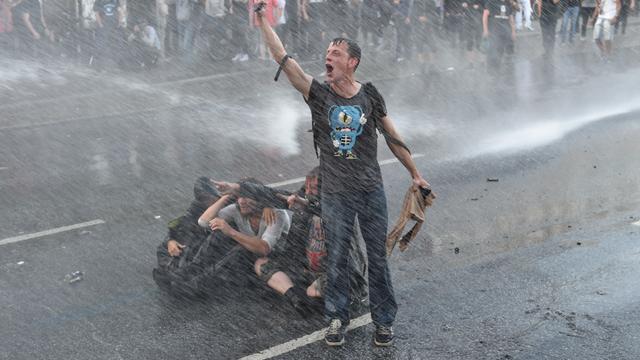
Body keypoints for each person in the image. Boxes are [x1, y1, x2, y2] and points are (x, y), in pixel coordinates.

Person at [254, 3, 432, 347]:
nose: (328, 58)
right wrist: (263, 20)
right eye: (327, 53)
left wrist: (415, 173)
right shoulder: (318, 95)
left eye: (335, 53)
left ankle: (383, 319)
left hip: (370, 191)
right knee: (336, 256)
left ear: (352, 62)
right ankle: (336, 317)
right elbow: (284, 59)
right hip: (335, 192)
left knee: (377, 257)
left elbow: (392, 136)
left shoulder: (369, 95)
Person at [214, 168, 369, 318]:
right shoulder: (303, 205)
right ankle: (296, 298)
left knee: (313, 292)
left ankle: (338, 298)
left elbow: (320, 208)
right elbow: (279, 195)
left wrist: (304, 203)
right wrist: (260, 200)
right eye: (306, 187)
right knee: (262, 263)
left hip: (336, 272)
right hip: (305, 269)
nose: (308, 192)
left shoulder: (339, 208)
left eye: (313, 188)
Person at [170, 178, 291, 297]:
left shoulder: (276, 214)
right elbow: (203, 222)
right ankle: (190, 270)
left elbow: (264, 248)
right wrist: (228, 195)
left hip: (270, 263)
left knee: (241, 248)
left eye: (247, 197)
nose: (242, 202)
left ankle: (199, 284)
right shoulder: (237, 209)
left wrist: (230, 231)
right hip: (249, 258)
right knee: (217, 232)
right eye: (240, 197)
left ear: (260, 199)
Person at [152, 177, 221, 292]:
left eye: (208, 197)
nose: (206, 201)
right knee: (167, 246)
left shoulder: (227, 205)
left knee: (200, 248)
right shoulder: (198, 205)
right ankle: (172, 269)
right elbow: (182, 222)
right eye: (202, 198)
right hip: (199, 235)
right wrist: (171, 240)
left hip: (216, 239)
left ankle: (185, 275)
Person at [483, 0, 516, 71]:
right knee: (493, 50)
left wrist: (513, 31)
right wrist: (485, 30)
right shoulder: (491, 2)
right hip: (494, 30)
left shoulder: (508, 4)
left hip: (505, 31)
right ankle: (491, 69)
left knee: (501, 50)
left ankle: (499, 68)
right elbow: (485, 16)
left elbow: (511, 19)